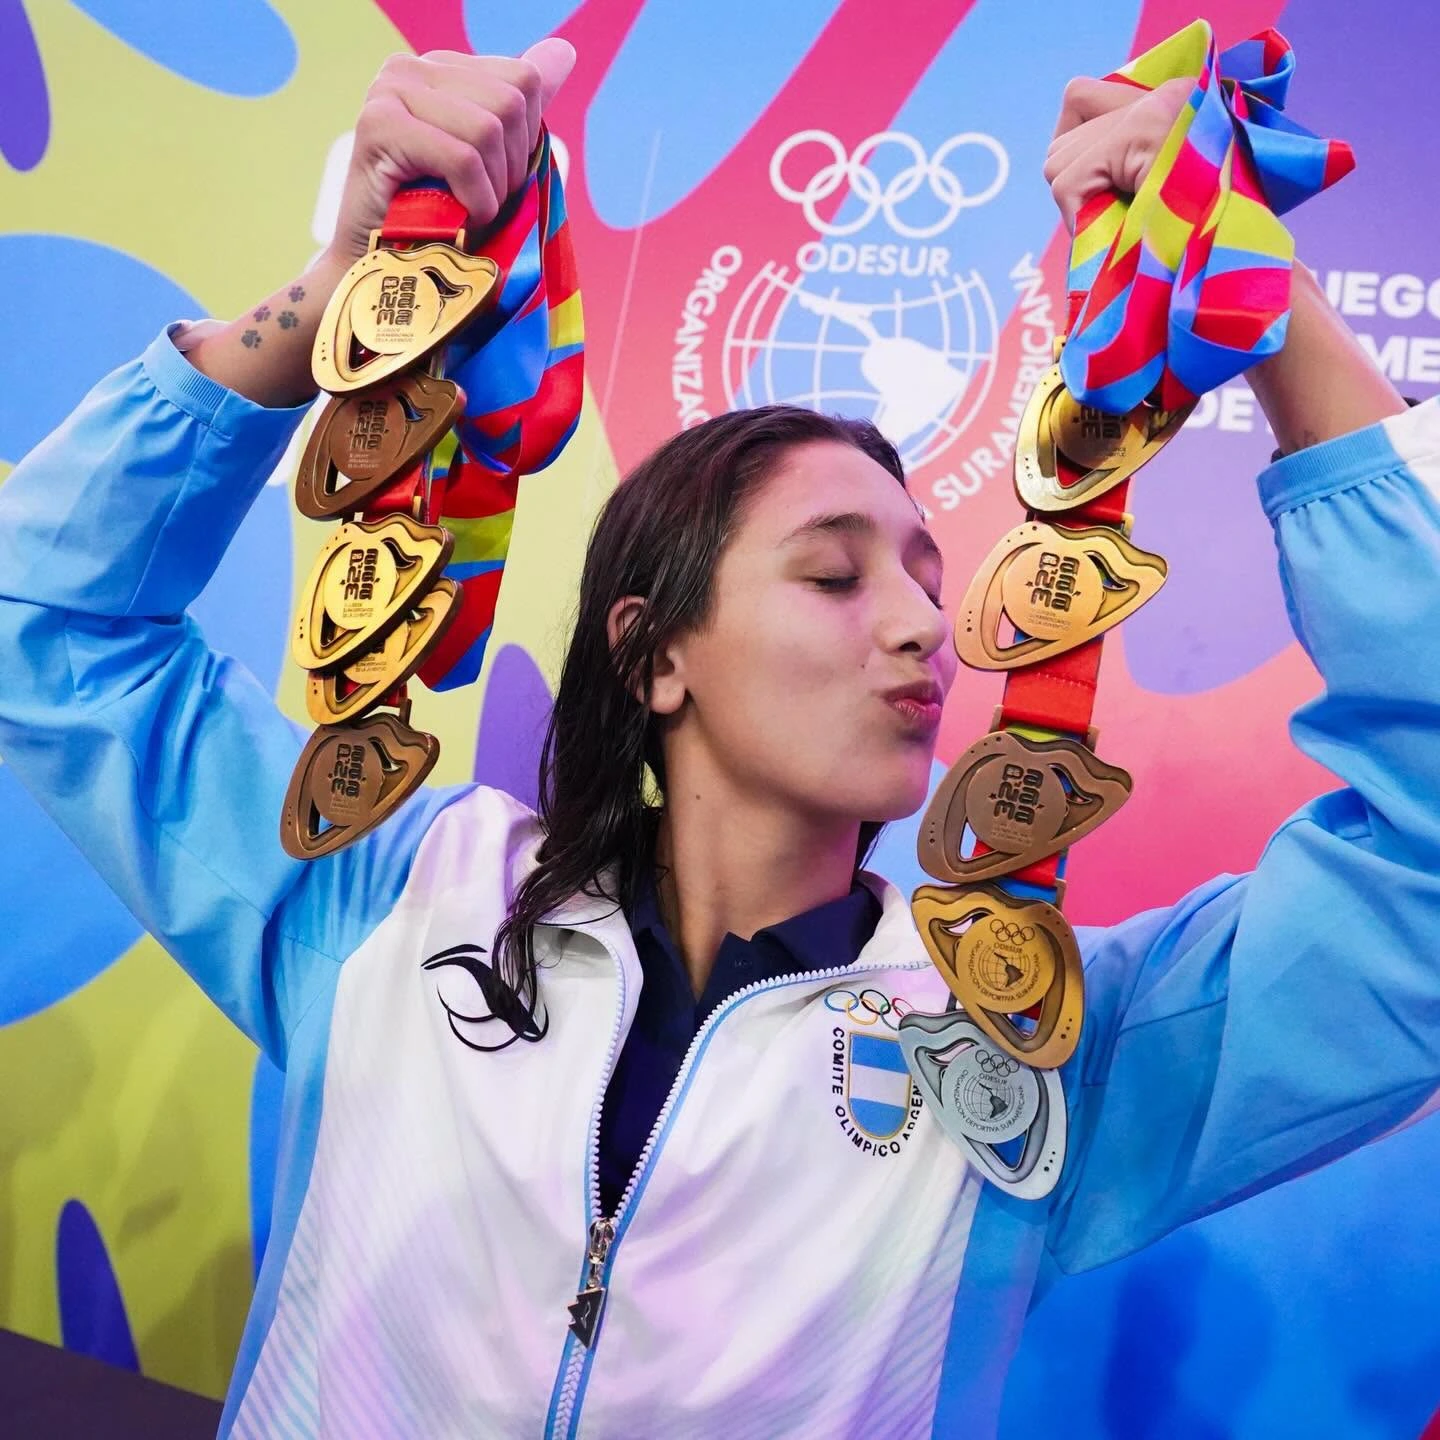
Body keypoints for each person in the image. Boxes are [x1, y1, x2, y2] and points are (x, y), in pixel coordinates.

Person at [1, 37, 1437, 1440]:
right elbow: (45, 620)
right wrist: (343, 292)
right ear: (652, 651)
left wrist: (1253, 293)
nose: (925, 630)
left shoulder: (1032, 1048)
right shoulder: (378, 901)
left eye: (933, 583)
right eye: (834, 575)